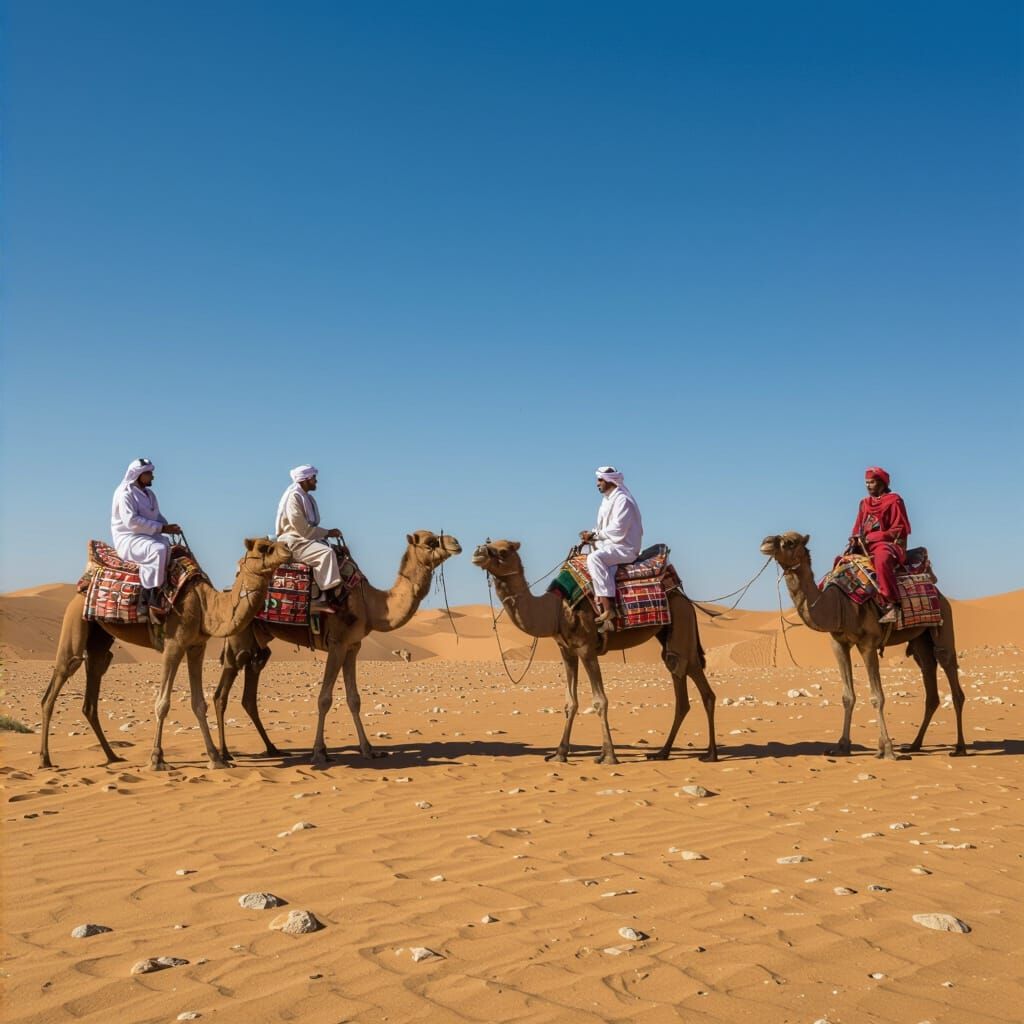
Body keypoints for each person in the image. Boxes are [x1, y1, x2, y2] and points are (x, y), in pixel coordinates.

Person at [110, 457, 182, 619]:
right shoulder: (124, 493)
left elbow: (156, 516)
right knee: (158, 549)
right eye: (149, 473)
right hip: (128, 538)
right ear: (139, 474)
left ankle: (165, 590)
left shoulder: (149, 494)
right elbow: (131, 522)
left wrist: (169, 527)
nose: (152, 477)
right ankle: (148, 598)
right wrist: (162, 528)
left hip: (146, 536)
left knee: (168, 546)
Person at [579, 466, 644, 632]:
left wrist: (595, 535)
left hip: (625, 547)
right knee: (583, 556)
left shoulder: (623, 500)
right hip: (611, 544)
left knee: (595, 558)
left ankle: (608, 607)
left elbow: (618, 530)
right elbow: (602, 528)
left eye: (600, 480)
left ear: (610, 481)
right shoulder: (607, 500)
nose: (597, 483)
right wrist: (590, 534)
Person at [275, 465, 343, 610]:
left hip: (305, 539)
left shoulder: (307, 498)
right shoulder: (293, 498)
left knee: (339, 551)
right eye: (313, 478)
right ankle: (325, 598)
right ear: (305, 480)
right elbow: (303, 530)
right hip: (294, 541)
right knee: (326, 554)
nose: (316, 481)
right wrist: (328, 533)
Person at [848, 466, 911, 624]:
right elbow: (858, 526)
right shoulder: (865, 503)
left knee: (882, 560)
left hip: (889, 546)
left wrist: (874, 537)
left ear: (882, 484)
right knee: (843, 562)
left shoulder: (894, 500)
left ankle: (893, 604)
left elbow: (899, 529)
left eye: (872, 482)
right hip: (866, 545)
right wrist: (855, 538)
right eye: (866, 483)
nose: (868, 486)